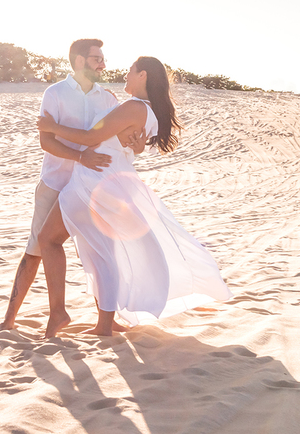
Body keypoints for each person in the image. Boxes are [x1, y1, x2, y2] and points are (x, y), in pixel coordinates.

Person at [36, 56, 231, 337]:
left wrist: (51, 127)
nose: (125, 75)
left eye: (130, 71)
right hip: (112, 181)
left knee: (49, 240)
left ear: (143, 75)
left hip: (93, 180)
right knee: (101, 253)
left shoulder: (134, 108)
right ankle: (105, 324)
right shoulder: (146, 110)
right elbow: (128, 146)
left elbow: (90, 138)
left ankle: (70, 316)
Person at [0, 39, 134, 332]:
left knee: (99, 252)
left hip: (92, 189)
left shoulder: (108, 99)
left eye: (103, 59)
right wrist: (80, 157)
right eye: (97, 59)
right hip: (56, 183)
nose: (103, 65)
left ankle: (106, 320)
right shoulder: (55, 93)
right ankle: (9, 320)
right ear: (80, 61)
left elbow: (120, 138)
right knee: (36, 249)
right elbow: (46, 141)